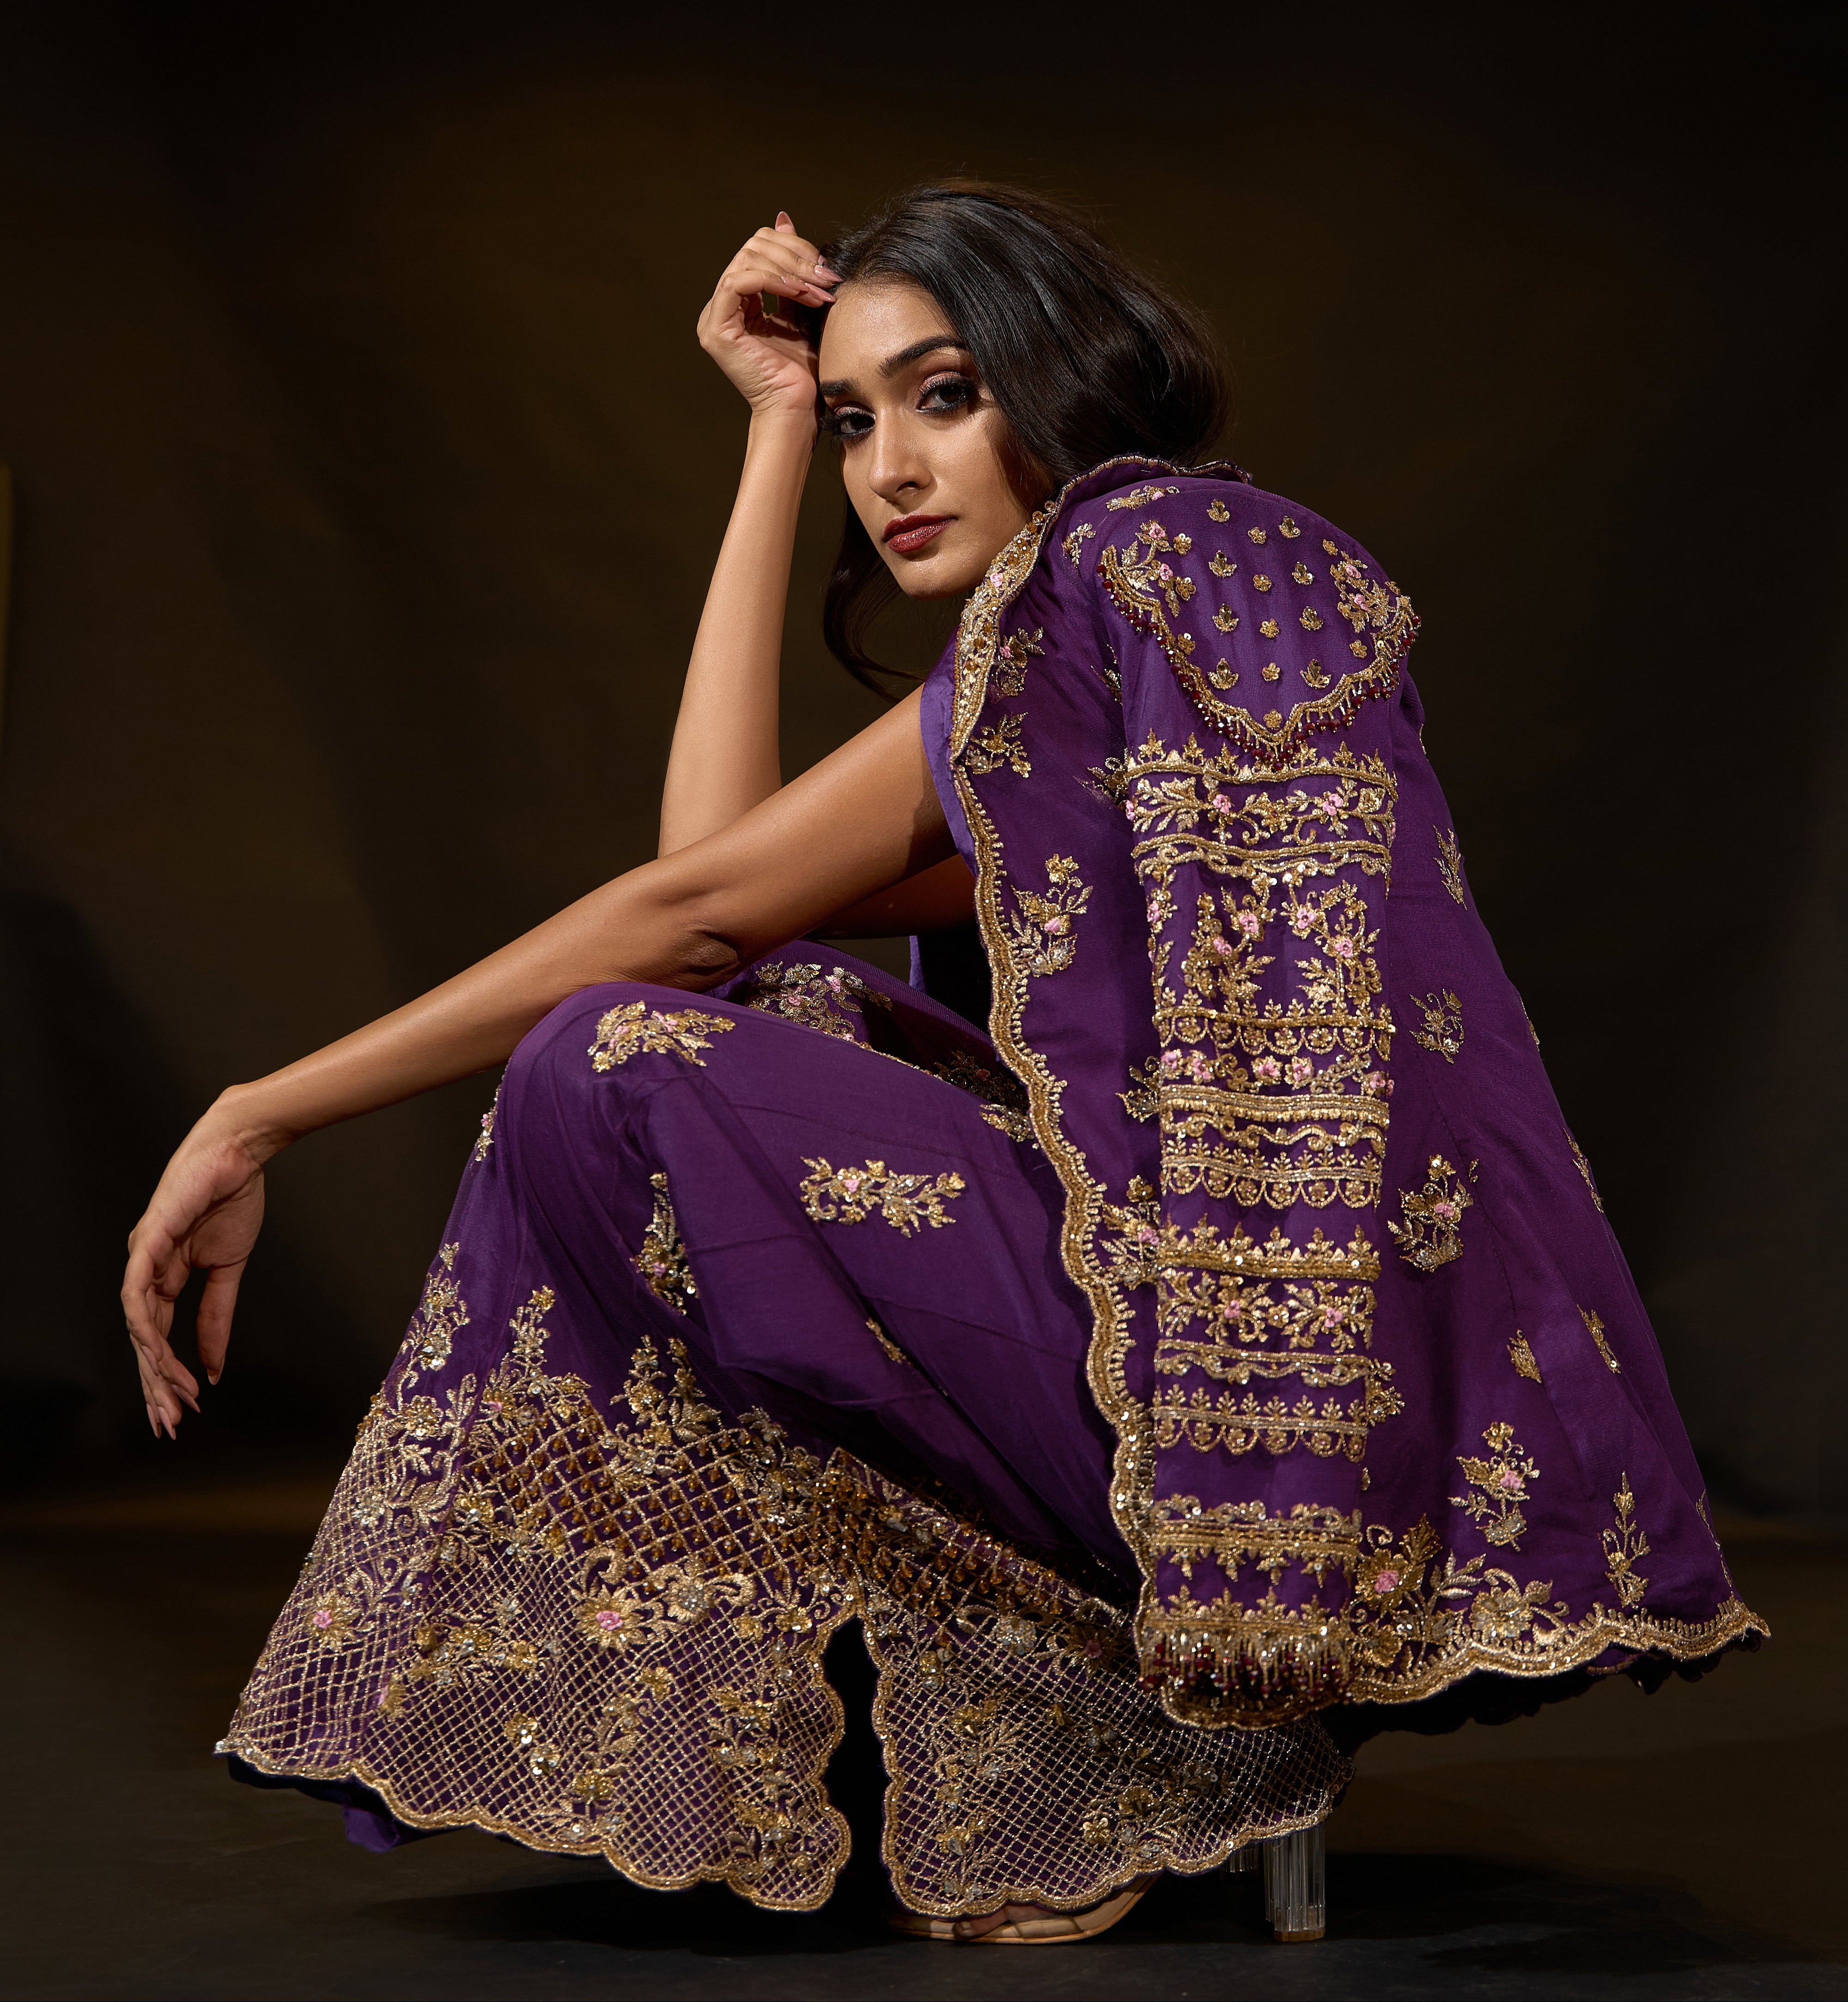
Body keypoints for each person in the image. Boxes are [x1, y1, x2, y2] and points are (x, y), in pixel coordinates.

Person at [123, 183, 1763, 1947]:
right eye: (855, 421)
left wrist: (258, 1112)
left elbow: (688, 919)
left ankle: (1149, 1729)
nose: (890, 467)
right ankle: (1093, 1707)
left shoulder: (1147, 555)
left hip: (1273, 1396)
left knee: (617, 1057)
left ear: (1068, 378)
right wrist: (770, 430)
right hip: (1175, 1357)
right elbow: (724, 889)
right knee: (762, 1030)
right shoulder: (1058, 675)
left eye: (946, 395)